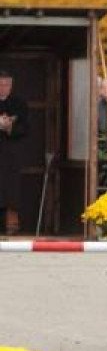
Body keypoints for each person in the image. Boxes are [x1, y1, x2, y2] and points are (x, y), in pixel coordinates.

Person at [0, 71, 29, 235]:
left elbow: (25, 127)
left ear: (11, 86)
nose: (3, 88)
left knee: (11, 188)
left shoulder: (19, 104)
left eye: (6, 85)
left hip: (11, 153)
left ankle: (12, 223)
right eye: (1, 84)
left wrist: (10, 127)